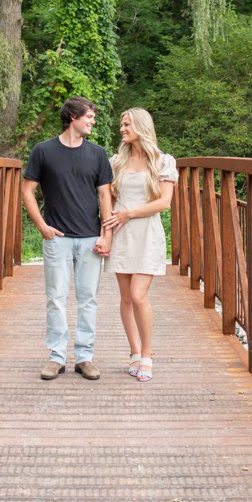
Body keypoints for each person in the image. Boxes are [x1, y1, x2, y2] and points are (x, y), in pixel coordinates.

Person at [21, 96, 114, 380]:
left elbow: (105, 195)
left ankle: (85, 357)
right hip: (57, 237)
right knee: (56, 299)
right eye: (89, 116)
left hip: (90, 238)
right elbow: (27, 191)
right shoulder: (43, 151)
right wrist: (42, 227)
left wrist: (106, 235)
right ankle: (56, 357)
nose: (93, 121)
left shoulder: (98, 154)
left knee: (88, 299)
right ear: (73, 116)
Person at [101, 108, 178, 382]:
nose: (121, 129)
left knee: (138, 295)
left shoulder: (162, 161)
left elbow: (164, 203)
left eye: (126, 124)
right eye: (121, 125)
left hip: (145, 232)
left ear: (141, 126)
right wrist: (106, 232)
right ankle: (134, 352)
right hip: (120, 233)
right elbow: (106, 198)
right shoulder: (115, 162)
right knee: (124, 297)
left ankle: (147, 354)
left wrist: (128, 213)